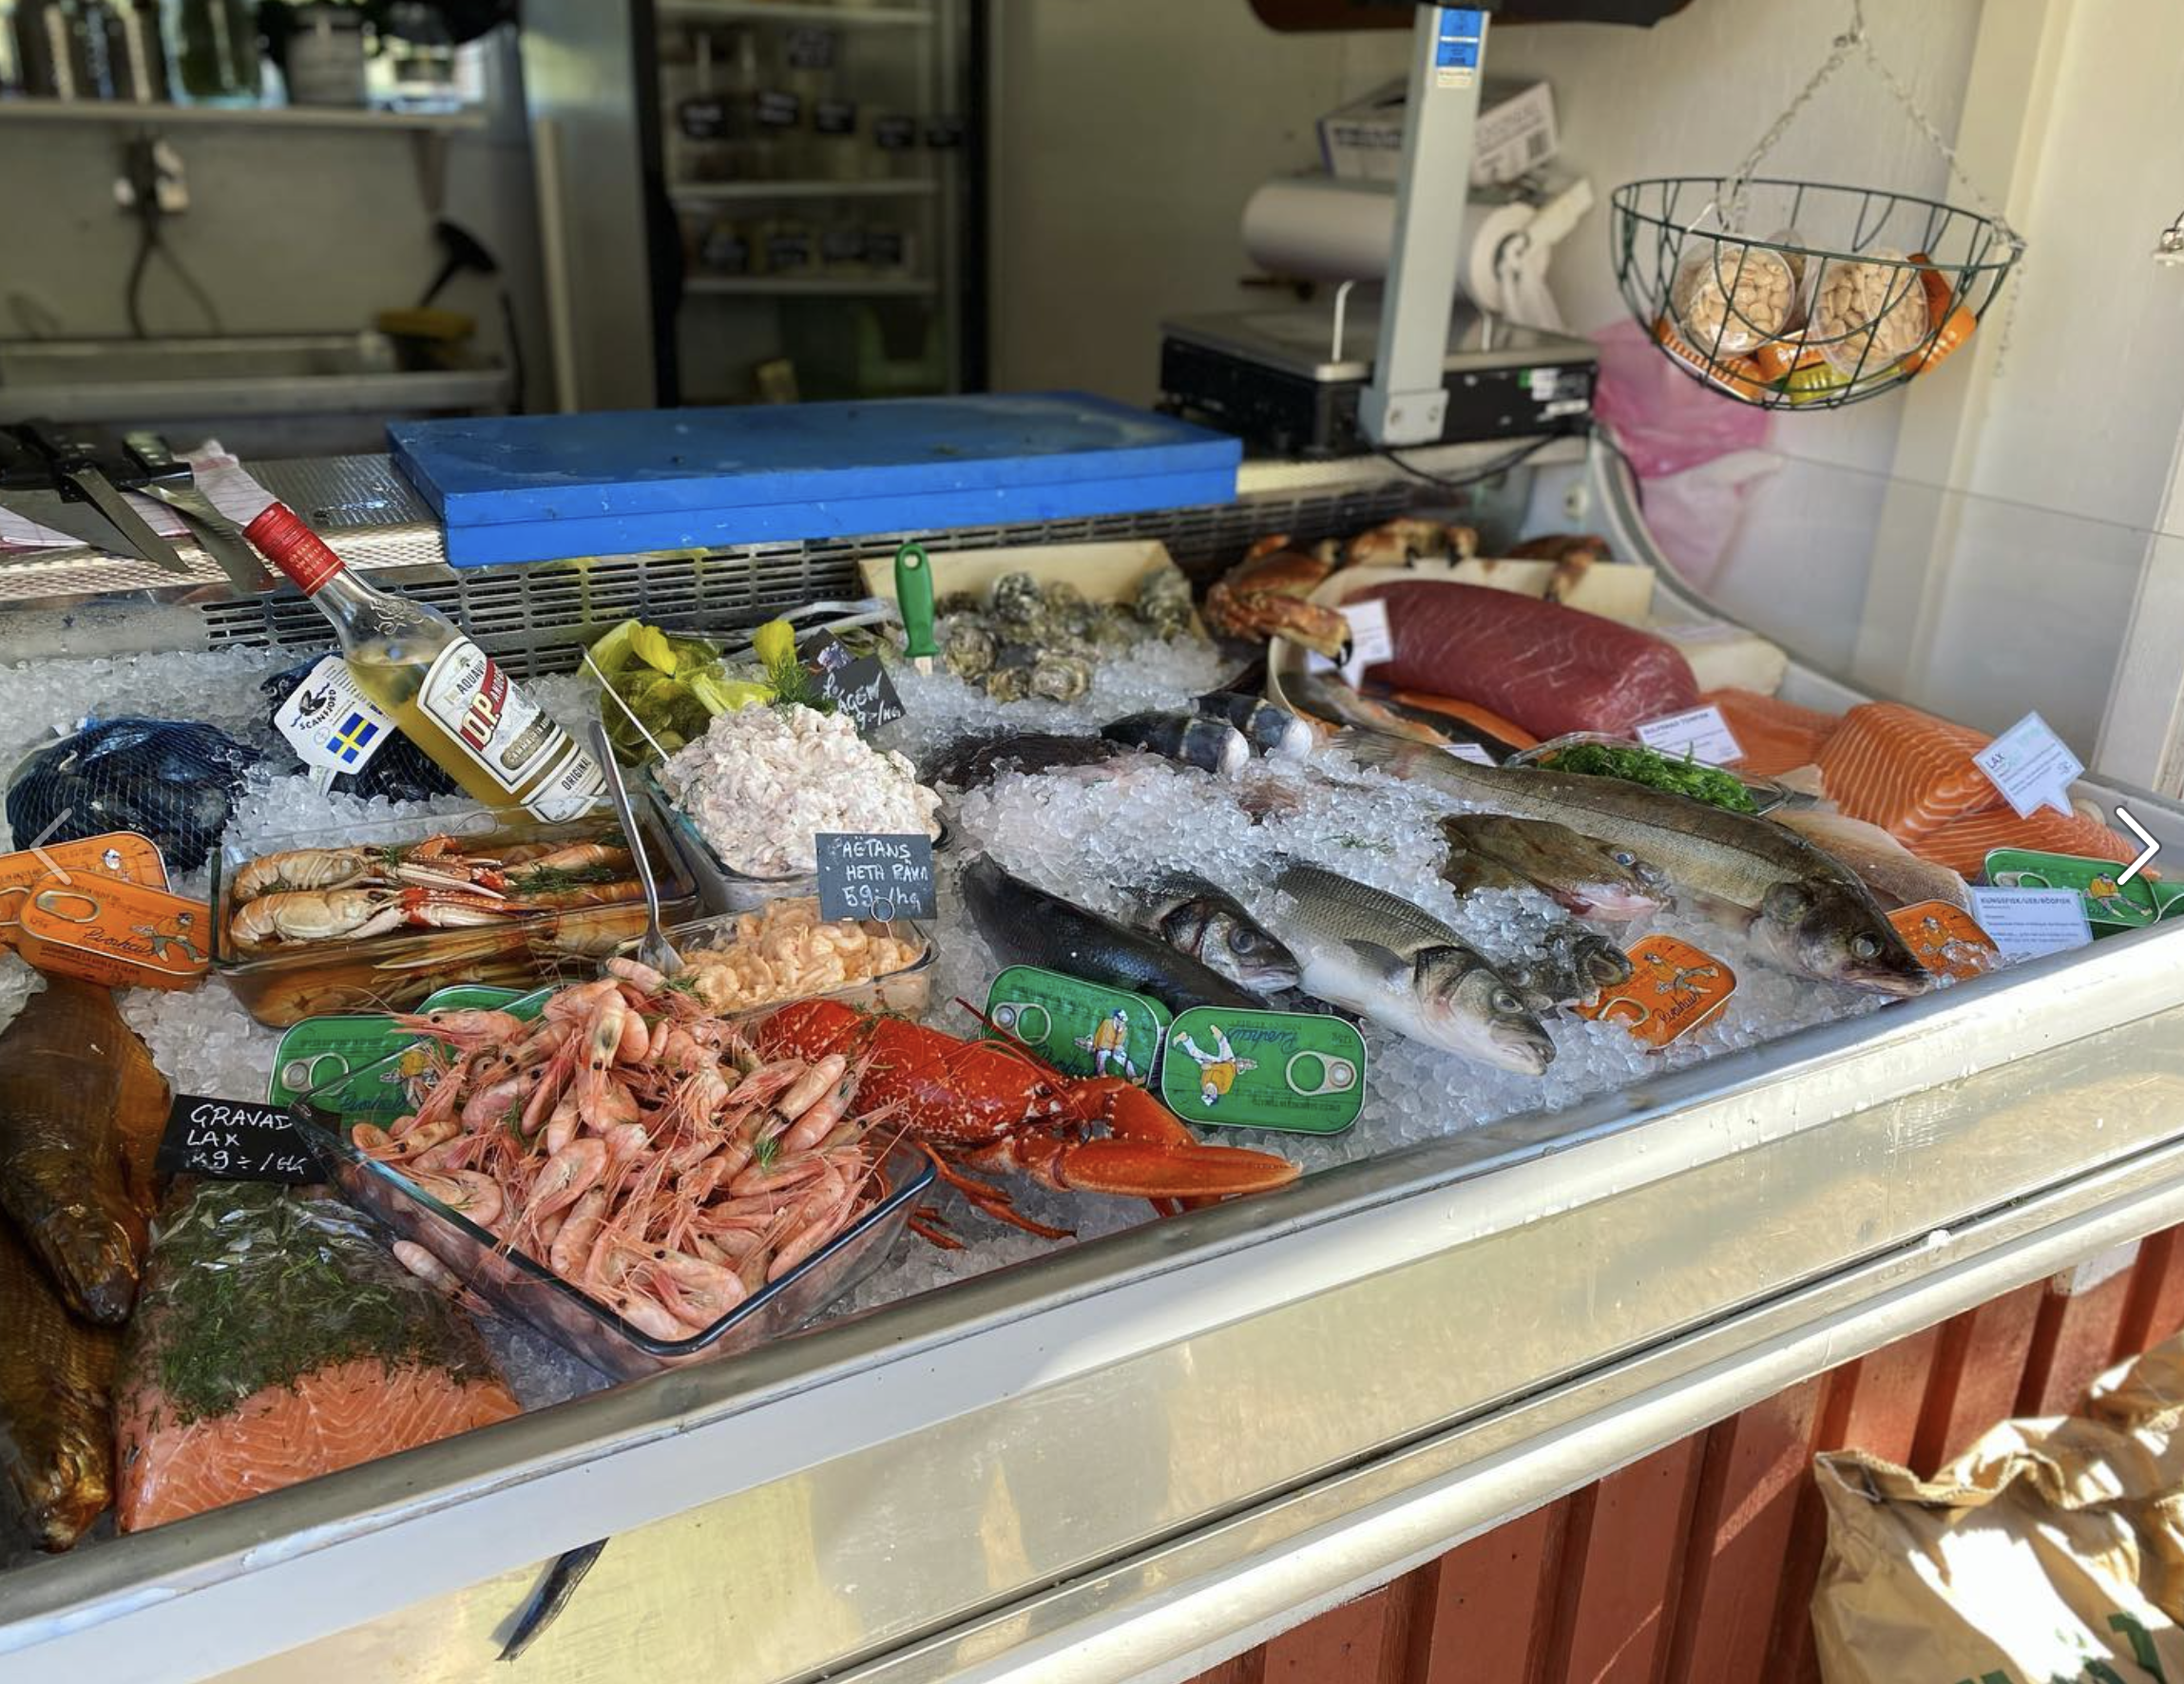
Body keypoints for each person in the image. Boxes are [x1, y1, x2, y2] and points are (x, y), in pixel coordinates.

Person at [1172, 1022, 1255, 1109]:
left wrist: (1206, 1065)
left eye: (1206, 1094)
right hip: (1228, 1062)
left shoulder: (1204, 1085)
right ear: (1215, 1096)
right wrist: (1211, 1067)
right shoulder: (1224, 1088)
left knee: (1195, 1054)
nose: (1209, 1092)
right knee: (1223, 1044)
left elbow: (1206, 1071)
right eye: (1211, 1095)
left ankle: (1184, 1037)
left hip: (1213, 1063)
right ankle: (1215, 1029)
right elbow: (1227, 1068)